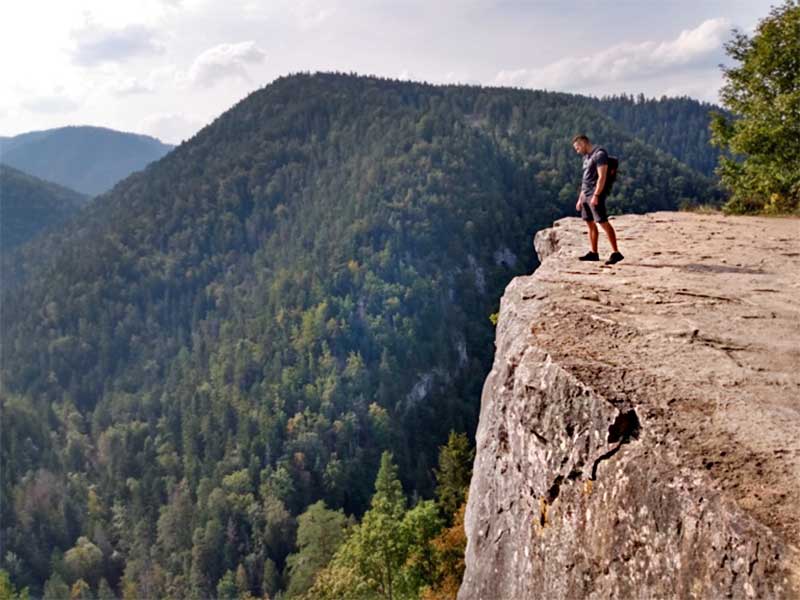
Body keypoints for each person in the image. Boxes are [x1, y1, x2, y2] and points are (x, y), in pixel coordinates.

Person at [572, 134, 624, 265]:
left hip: (594, 194)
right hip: (585, 194)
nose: (577, 151)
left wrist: (596, 195)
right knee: (589, 222)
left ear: (583, 143)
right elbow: (585, 179)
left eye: (577, 147)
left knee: (602, 222)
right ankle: (594, 253)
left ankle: (616, 253)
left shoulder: (599, 154)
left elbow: (602, 177)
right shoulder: (586, 157)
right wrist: (580, 198)